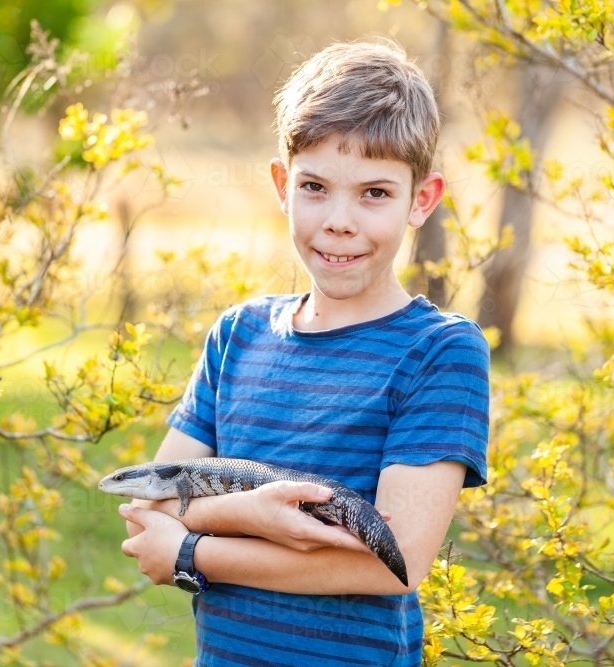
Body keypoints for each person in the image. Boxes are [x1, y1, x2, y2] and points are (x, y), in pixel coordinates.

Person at [118, 36, 490, 667]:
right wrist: (254, 512)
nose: (339, 220)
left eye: (374, 193)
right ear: (282, 185)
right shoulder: (237, 336)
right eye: (315, 186)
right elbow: (149, 502)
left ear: (420, 201)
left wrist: (191, 551)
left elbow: (392, 564)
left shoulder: (439, 352)